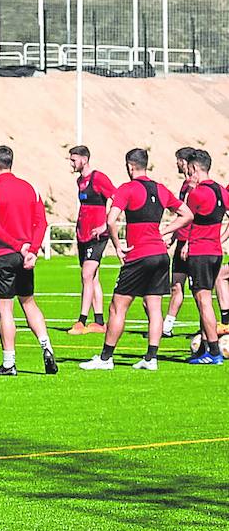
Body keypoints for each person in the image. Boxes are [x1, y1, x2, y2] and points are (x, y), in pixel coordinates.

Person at [80, 148, 181, 372]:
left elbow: (111, 220)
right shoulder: (161, 189)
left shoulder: (127, 189)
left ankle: (105, 358)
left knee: (118, 307)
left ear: (129, 166)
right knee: (154, 307)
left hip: (139, 255)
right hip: (160, 255)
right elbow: (187, 214)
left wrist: (118, 246)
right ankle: (151, 358)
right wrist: (164, 231)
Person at [0, 146, 57, 376]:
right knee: (29, 302)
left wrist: (19, 247)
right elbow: (42, 223)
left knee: (5, 309)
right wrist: (32, 250)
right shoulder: (31, 188)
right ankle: (46, 347)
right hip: (26, 256)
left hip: (4, 255)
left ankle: (9, 362)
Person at [161, 149, 225, 365]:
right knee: (203, 300)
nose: (187, 173)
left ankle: (214, 352)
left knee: (203, 300)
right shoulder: (221, 191)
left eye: (189, 169)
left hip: (200, 253)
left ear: (195, 168)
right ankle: (205, 348)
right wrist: (222, 237)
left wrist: (164, 231)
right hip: (215, 252)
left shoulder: (197, 194)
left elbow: (185, 218)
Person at [68, 146, 115, 335]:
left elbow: (116, 199)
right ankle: (99, 322)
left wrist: (105, 225)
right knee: (93, 277)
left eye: (74, 160)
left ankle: (81, 321)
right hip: (83, 234)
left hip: (97, 235)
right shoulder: (80, 181)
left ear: (84, 159)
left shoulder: (99, 178)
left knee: (86, 275)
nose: (71, 164)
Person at [163, 147, 197, 338]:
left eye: (177, 160)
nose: (176, 163)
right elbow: (182, 217)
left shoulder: (196, 185)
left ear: (183, 162)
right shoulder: (185, 185)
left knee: (198, 289)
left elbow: (196, 217)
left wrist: (188, 243)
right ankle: (167, 326)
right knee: (176, 285)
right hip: (181, 242)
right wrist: (174, 237)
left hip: (192, 244)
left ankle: (206, 328)